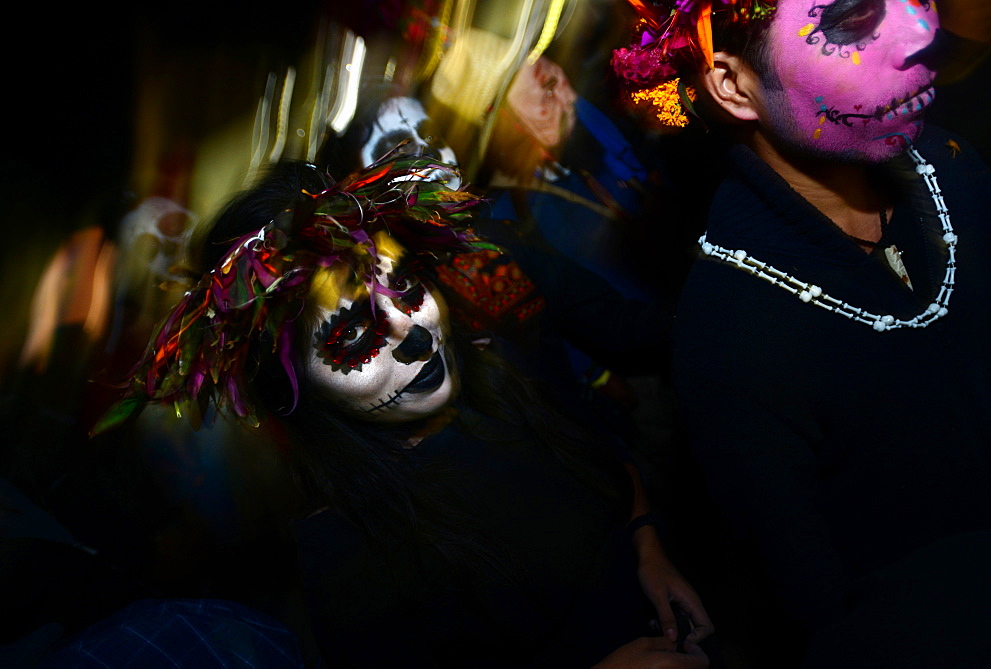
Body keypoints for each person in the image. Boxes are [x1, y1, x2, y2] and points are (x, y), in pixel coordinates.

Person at [94, 153, 713, 667]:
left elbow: (601, 463)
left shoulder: (498, 376)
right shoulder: (349, 566)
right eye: (353, 337)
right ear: (293, 390)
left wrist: (647, 546)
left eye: (408, 290)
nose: (413, 329)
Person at [612, 0, 991, 666]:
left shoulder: (955, 169)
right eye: (852, 18)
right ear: (734, 87)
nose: (923, 29)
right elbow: (817, 610)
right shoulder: (731, 335)